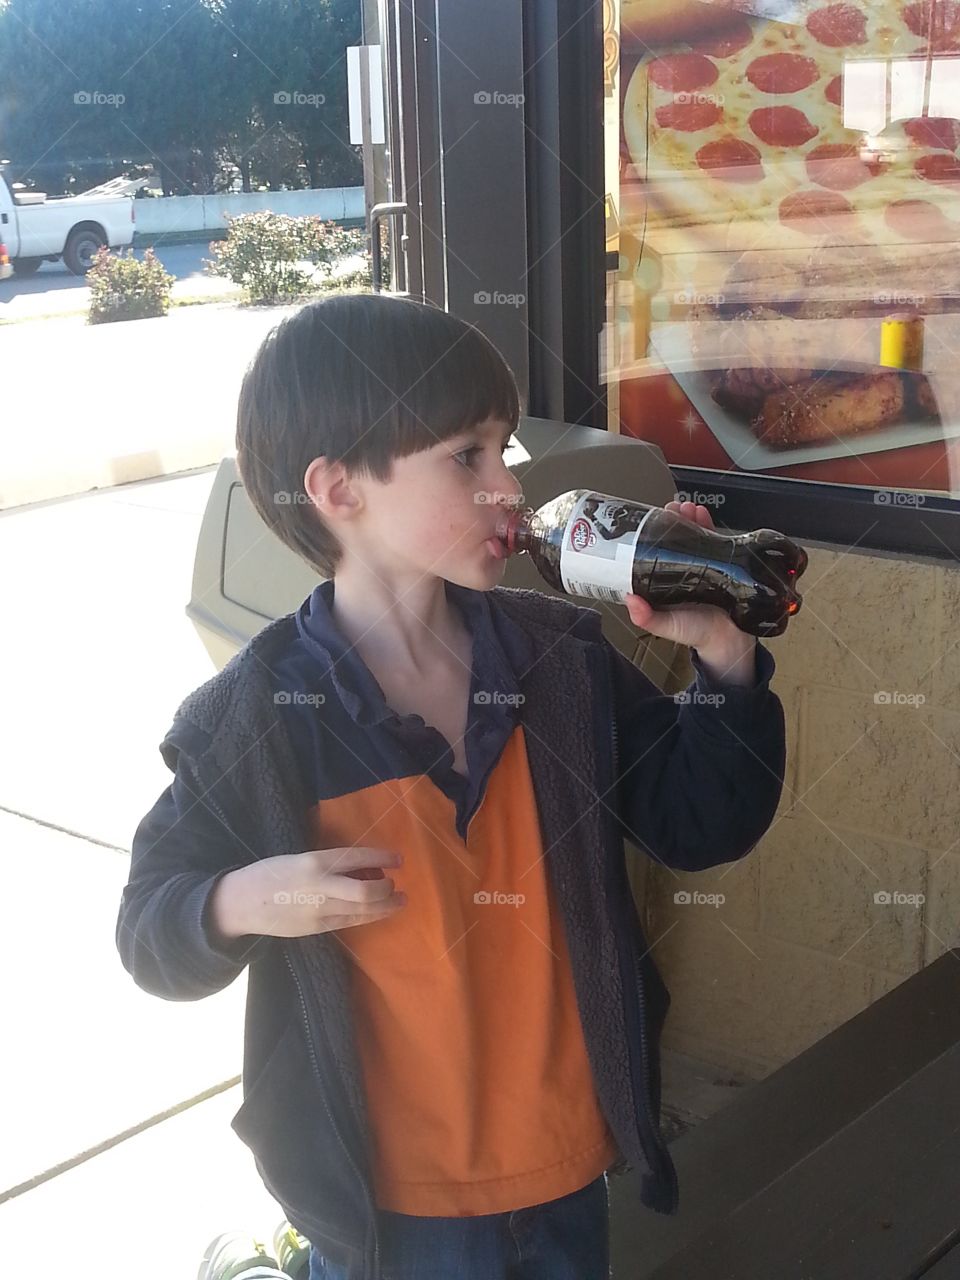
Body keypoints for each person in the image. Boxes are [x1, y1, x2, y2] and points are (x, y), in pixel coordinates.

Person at [116, 293, 786, 1280]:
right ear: (339, 489)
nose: (509, 486)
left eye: (505, 450)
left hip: (566, 1169)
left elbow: (698, 821)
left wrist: (721, 655)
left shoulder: (558, 657)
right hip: (393, 1212)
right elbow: (149, 928)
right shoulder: (256, 718)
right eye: (466, 456)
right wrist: (243, 898)